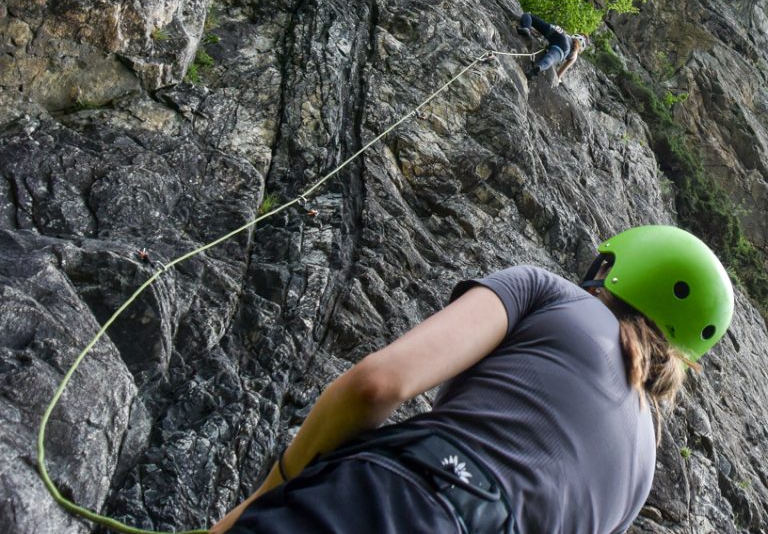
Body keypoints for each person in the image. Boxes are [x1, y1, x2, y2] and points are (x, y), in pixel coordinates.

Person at [210, 225, 734, 534]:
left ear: (610, 268)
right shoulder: (642, 469)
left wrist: (265, 496)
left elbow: (378, 384)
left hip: (405, 500)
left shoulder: (548, 292)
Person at [517, 12, 587, 84]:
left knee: (528, 16)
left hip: (557, 32)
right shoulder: (575, 54)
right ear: (581, 49)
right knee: (551, 57)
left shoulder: (568, 36)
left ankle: (526, 28)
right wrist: (558, 79)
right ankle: (539, 67)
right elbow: (559, 74)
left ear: (575, 35)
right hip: (563, 47)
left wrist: (533, 31)